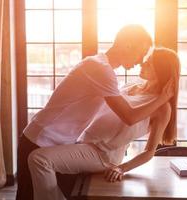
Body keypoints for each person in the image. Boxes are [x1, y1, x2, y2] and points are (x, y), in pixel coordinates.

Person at [16, 24, 171, 200]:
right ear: (128, 45)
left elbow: (125, 122)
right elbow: (128, 116)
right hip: (41, 138)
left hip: (62, 142)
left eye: (146, 58)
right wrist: (163, 97)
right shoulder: (101, 70)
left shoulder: (103, 69)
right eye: (141, 53)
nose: (140, 61)